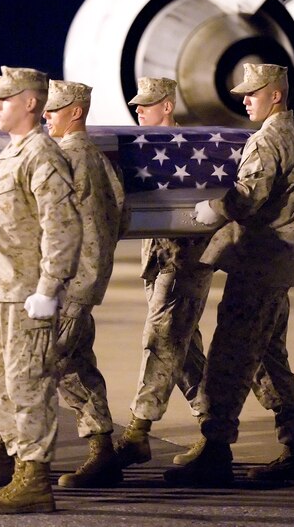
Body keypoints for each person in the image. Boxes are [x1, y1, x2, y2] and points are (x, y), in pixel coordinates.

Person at [164, 63, 294, 486]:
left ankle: (215, 451)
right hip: (281, 265)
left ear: (276, 95)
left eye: (253, 93)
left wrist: (216, 209)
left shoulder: (269, 138)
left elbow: (249, 196)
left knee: (229, 358)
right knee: (269, 359)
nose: (245, 99)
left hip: (257, 263)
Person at [0, 66, 82, 514]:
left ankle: (35, 479)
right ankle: (20, 470)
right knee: (0, 386)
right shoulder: (12, 153)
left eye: (4, 100)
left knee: (28, 385)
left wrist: (50, 287)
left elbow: (63, 227)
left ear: (30, 103)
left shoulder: (41, 155)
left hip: (25, 295)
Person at [113, 77, 213, 468]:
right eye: (137, 104)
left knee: (161, 339)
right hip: (155, 262)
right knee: (183, 352)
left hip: (184, 262)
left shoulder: (192, 150)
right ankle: (214, 429)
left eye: (147, 105)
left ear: (167, 106)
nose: (139, 110)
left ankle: (138, 431)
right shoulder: (143, 149)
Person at [42, 79, 127, 488]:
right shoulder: (97, 159)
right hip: (82, 281)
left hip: (68, 283)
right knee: (75, 366)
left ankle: (20, 461)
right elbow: (121, 217)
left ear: (75, 112)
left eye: (53, 111)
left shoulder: (71, 158)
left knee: (37, 368)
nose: (46, 117)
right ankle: (102, 452)